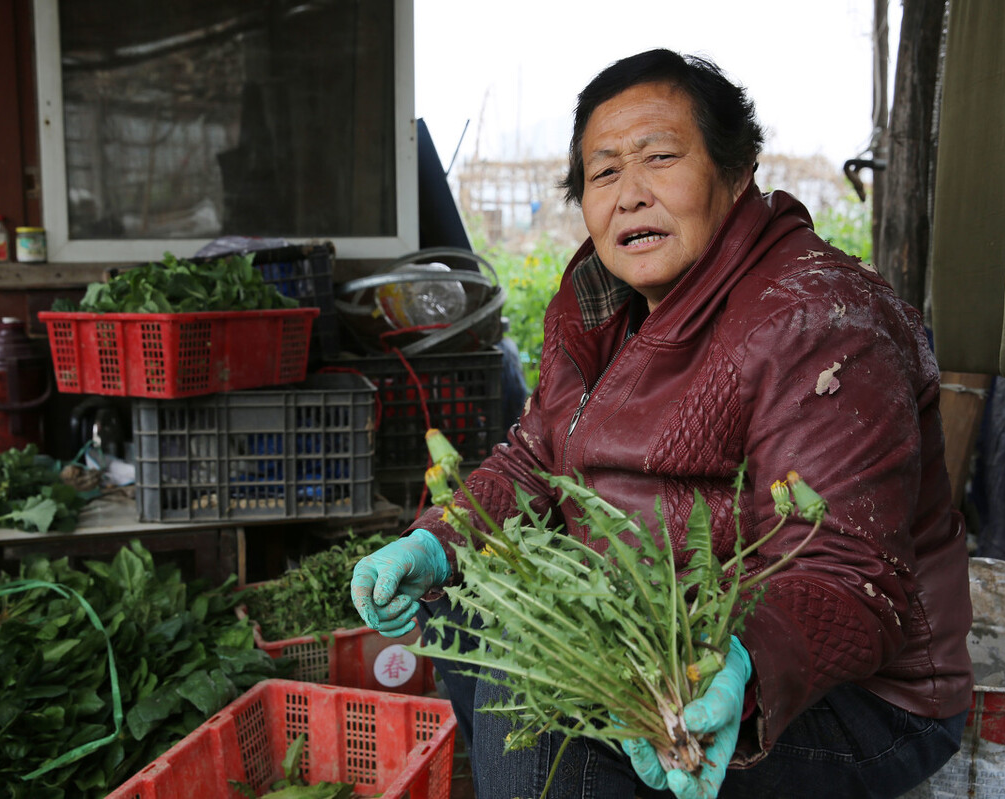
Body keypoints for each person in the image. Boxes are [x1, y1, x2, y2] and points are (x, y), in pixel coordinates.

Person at [351, 49, 972, 799]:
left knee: (551, 733)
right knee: (464, 606)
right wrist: (436, 541)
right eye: (604, 172)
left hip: (842, 697)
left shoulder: (816, 318)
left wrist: (739, 666)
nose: (631, 194)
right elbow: (535, 456)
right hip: (651, 632)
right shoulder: (597, 304)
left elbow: (847, 573)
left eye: (661, 158)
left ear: (736, 175)